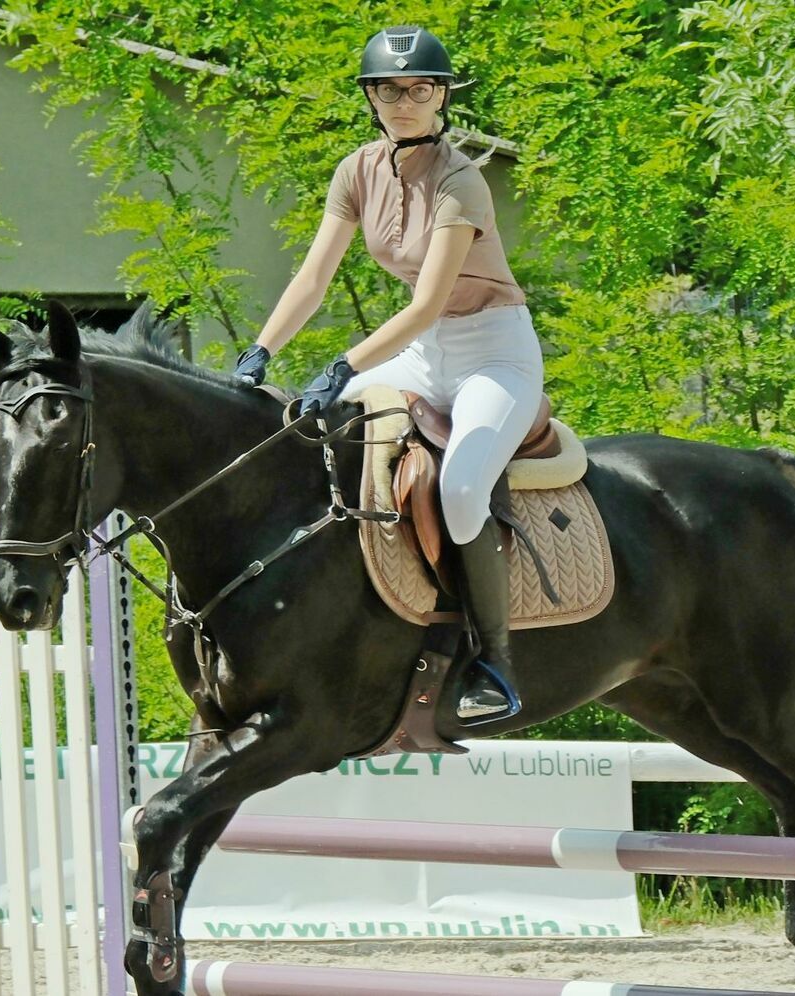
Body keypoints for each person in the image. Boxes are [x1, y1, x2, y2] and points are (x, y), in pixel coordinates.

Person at [234, 25, 544, 725]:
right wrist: (261, 350)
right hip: (425, 348)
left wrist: (343, 362)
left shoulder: (461, 180)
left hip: (493, 351)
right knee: (303, 426)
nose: (405, 101)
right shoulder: (357, 171)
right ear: (371, 98)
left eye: (420, 88)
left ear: (442, 97)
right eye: (389, 89)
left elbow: (429, 299)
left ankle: (493, 660)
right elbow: (314, 276)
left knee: (462, 488)